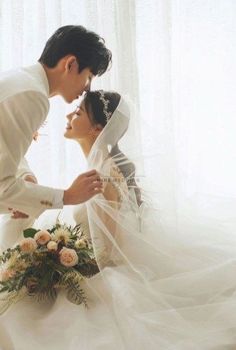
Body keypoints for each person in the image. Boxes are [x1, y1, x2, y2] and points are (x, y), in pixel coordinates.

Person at [1, 90, 236, 350]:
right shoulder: (98, 166)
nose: (68, 114)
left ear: (97, 128)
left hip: (103, 273)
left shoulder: (104, 172)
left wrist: (65, 268)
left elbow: (112, 251)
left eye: (78, 112)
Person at [0, 25, 112, 251]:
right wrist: (67, 196)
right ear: (71, 64)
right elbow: (2, 187)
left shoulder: (21, 80)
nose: (88, 88)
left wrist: (25, 176)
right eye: (89, 77)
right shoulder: (32, 96)